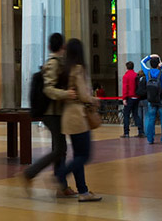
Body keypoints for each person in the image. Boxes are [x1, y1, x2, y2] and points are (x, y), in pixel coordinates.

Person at [23, 33, 77, 197]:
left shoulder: (58, 62)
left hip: (56, 113)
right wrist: (66, 94)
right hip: (51, 113)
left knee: (60, 149)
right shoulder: (53, 63)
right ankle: (30, 173)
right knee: (59, 149)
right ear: (63, 47)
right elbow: (48, 89)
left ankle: (62, 186)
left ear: (49, 46)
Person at [55, 38, 102, 203]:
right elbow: (83, 95)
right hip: (78, 117)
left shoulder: (65, 70)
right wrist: (94, 99)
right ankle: (60, 175)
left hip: (68, 116)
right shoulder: (78, 69)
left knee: (78, 155)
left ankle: (83, 191)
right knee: (84, 155)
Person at [141, 53, 162, 144]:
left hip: (151, 98)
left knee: (151, 119)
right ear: (158, 64)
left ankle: (150, 139)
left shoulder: (147, 72)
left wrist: (150, 56)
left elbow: (142, 62)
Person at [121, 61, 144, 138]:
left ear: (127, 67)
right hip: (136, 97)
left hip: (129, 97)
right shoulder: (136, 75)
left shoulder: (126, 76)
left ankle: (126, 132)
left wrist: (124, 98)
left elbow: (125, 88)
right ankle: (140, 131)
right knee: (136, 115)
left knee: (126, 115)